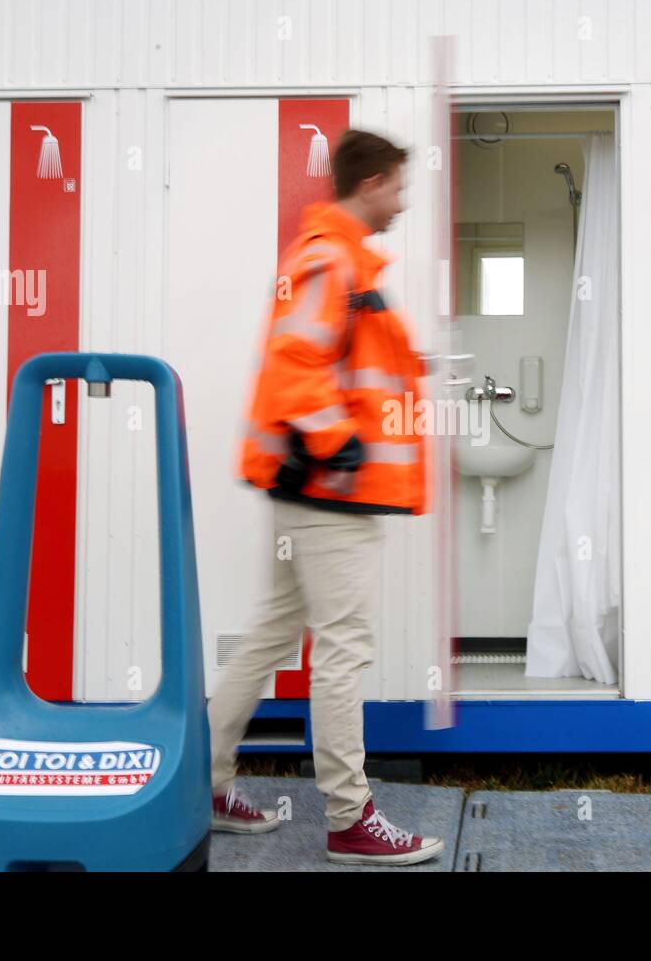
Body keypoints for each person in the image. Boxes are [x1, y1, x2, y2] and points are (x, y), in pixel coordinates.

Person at [206, 129, 443, 865]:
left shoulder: (339, 258)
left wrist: (414, 364)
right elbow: (297, 360)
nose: (403, 202)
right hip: (329, 488)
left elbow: (337, 355)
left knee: (276, 630)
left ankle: (203, 786)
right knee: (343, 646)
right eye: (399, 187)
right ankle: (350, 816)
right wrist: (339, 439)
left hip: (307, 486)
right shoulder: (331, 255)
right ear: (371, 183)